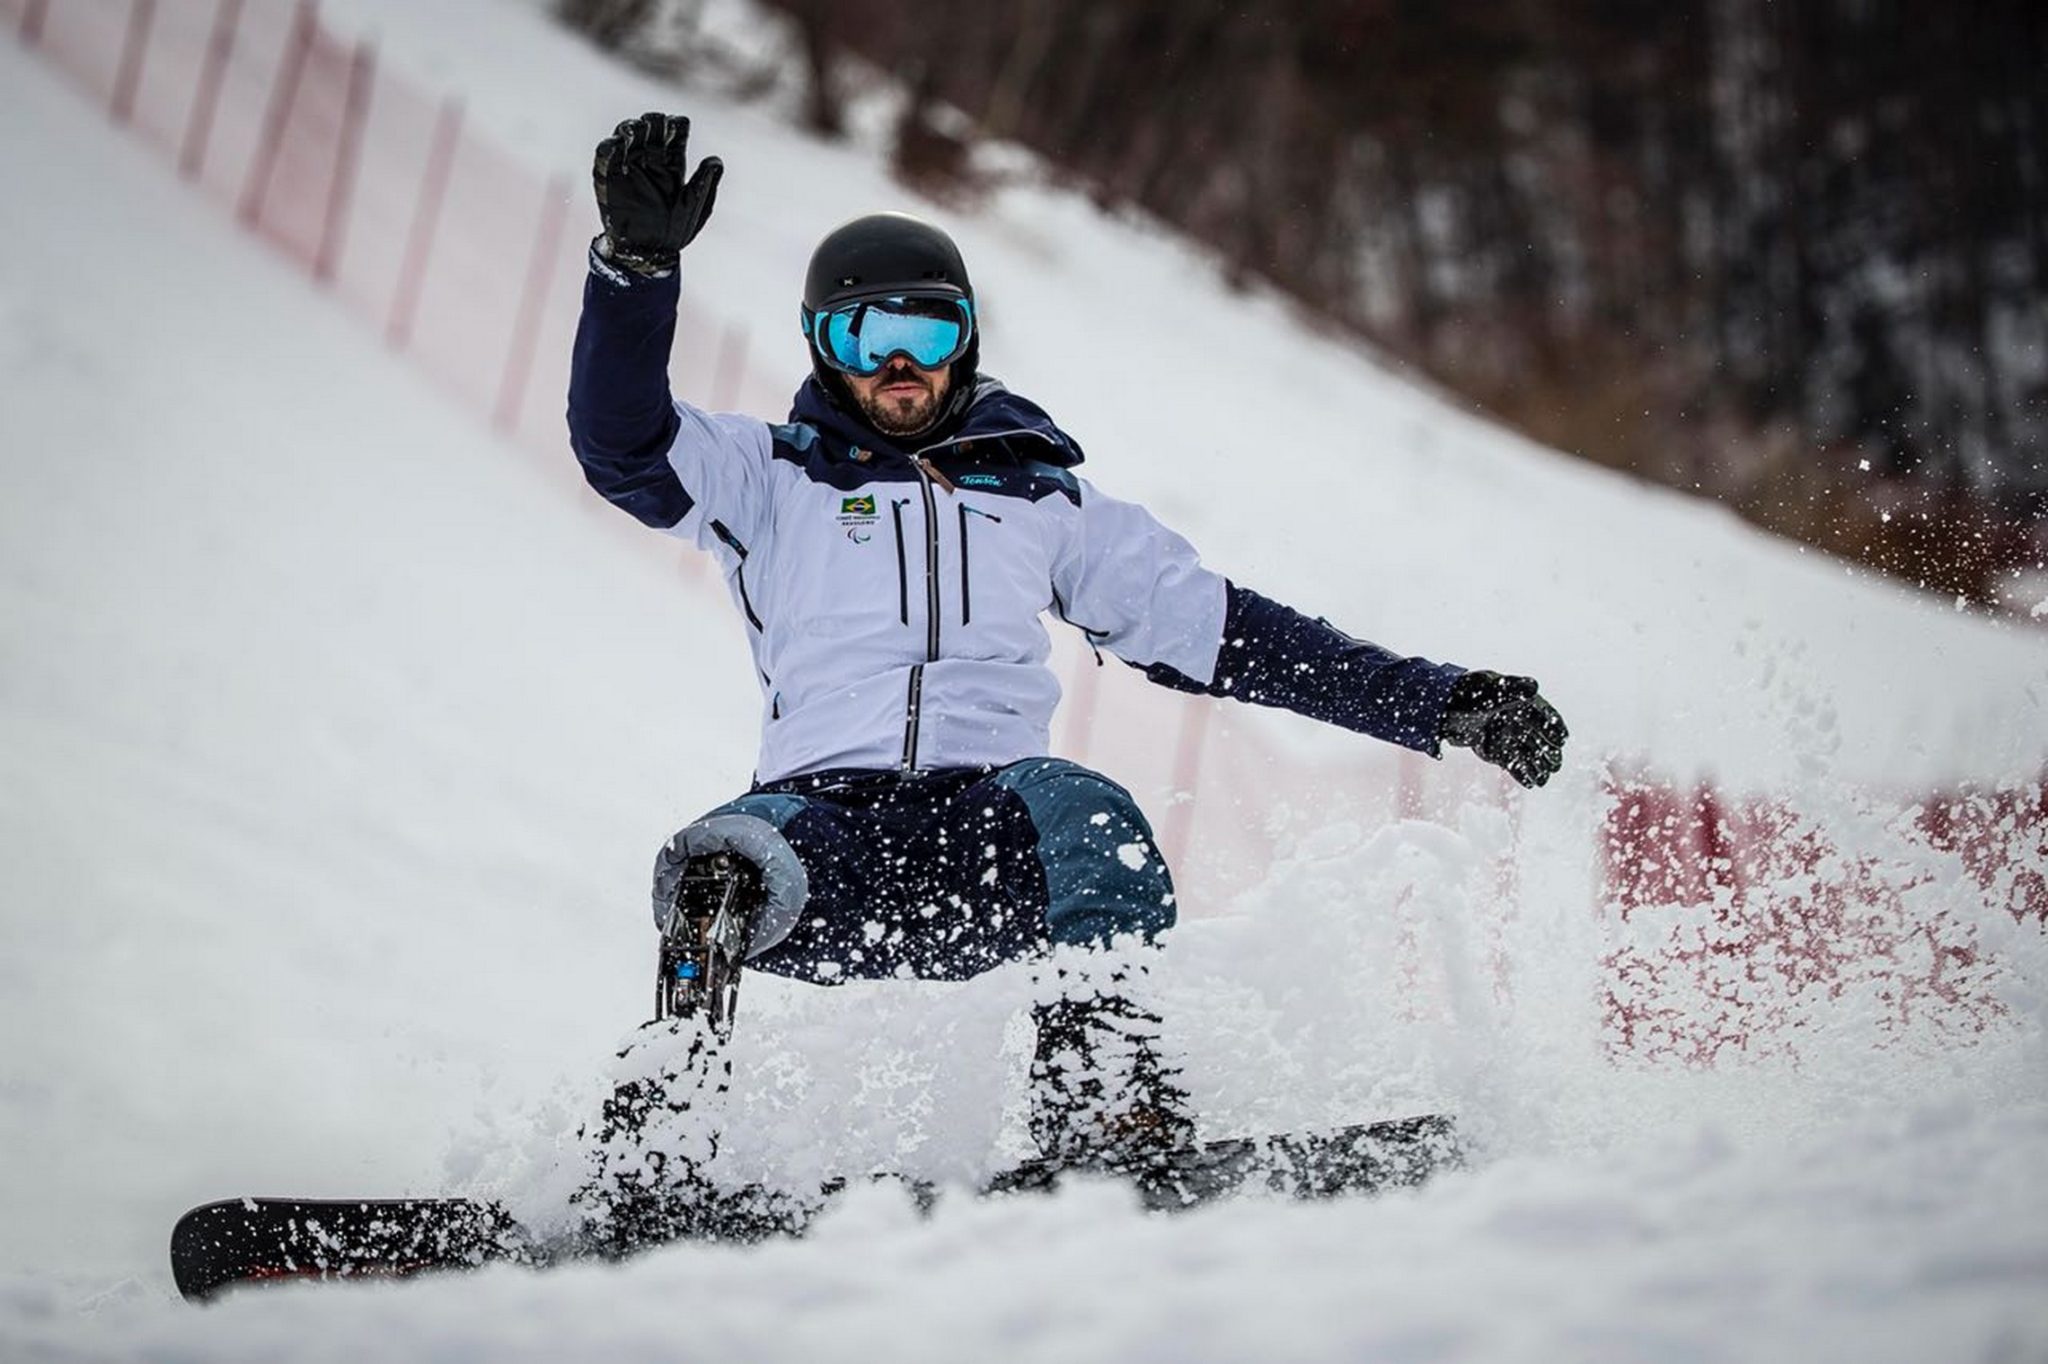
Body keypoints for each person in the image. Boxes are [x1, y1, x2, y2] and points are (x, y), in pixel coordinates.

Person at [566, 114, 1567, 1190]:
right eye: (866, 339)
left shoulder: (1038, 500)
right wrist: (634, 274)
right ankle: (666, 1140)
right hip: (826, 847)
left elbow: (1234, 633)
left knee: (1093, 813)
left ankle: (1103, 1103)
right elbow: (620, 444)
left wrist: (1441, 705)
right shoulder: (767, 477)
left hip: (986, 842)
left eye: (929, 334)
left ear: (968, 341)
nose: (900, 366)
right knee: (715, 867)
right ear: (822, 346)